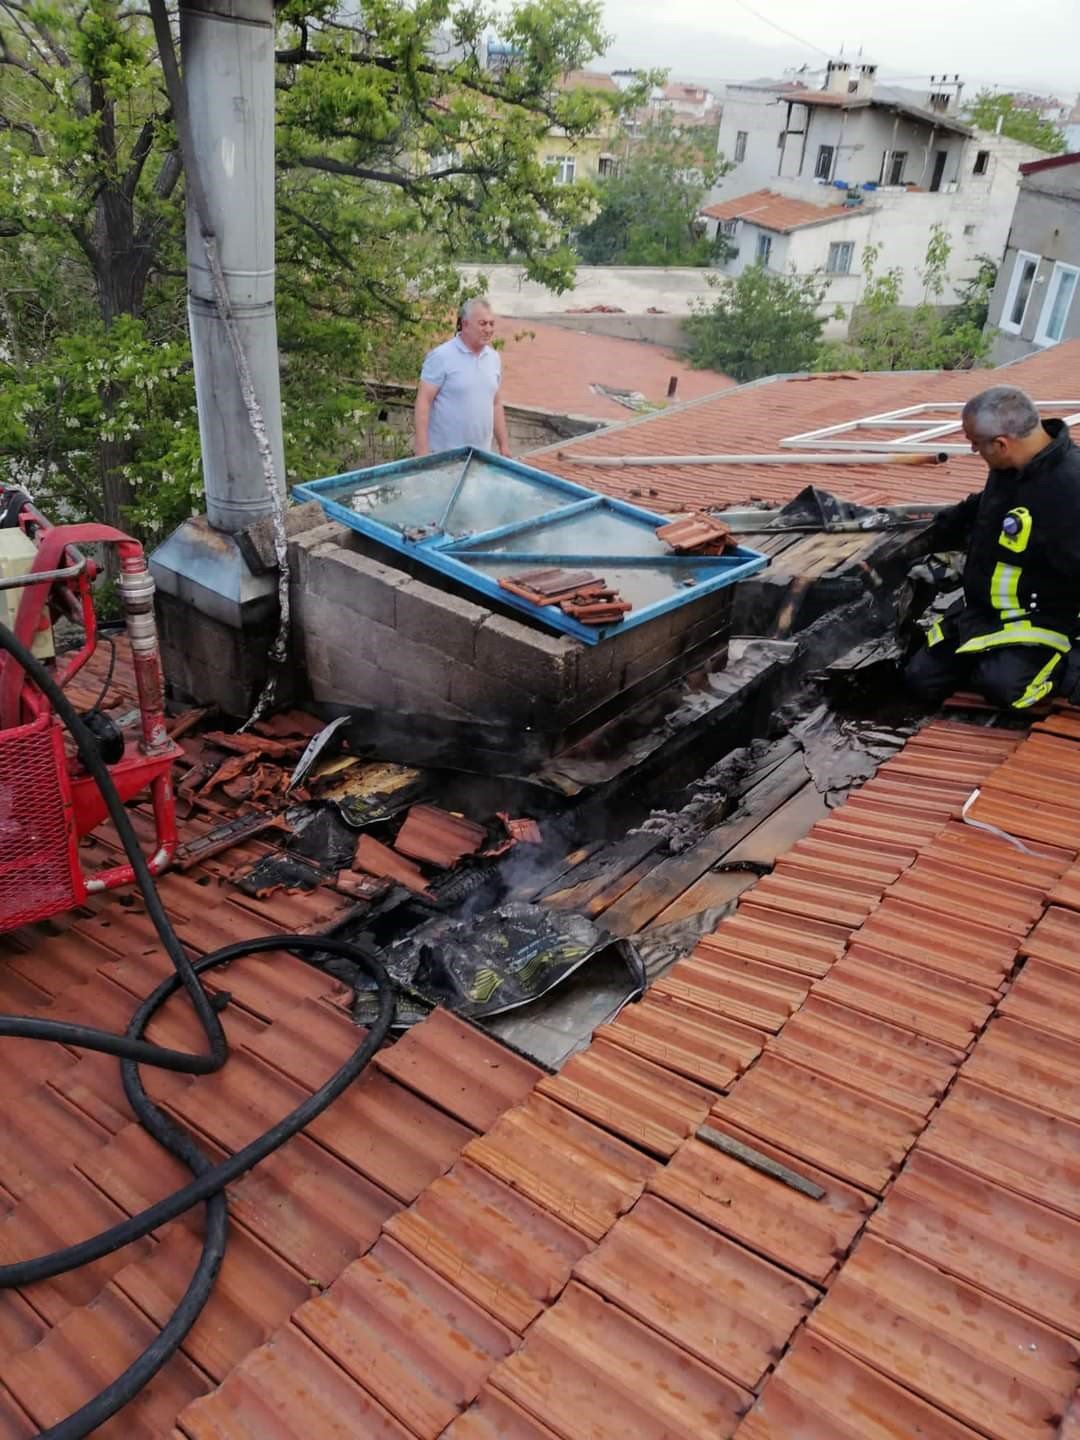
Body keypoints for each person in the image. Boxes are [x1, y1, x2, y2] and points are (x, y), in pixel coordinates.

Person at [904, 385, 1080, 711]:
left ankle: (1063, 661)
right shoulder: (1009, 468)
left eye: (976, 444)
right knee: (920, 679)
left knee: (1003, 688)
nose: (973, 450)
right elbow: (985, 507)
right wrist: (930, 533)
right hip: (984, 616)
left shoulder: (1069, 490)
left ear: (1001, 443)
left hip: (1041, 620)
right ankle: (994, 658)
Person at [414, 299, 511, 457]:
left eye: (491, 324)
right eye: (482, 323)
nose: (488, 329)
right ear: (465, 325)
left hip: (480, 457)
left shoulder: (494, 358)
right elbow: (423, 402)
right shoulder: (441, 356)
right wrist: (421, 452)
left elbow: (496, 403)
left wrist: (504, 446)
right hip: (443, 457)